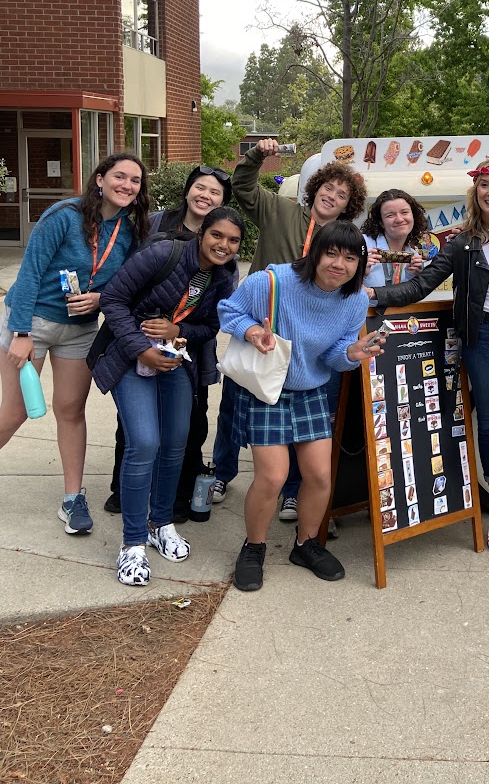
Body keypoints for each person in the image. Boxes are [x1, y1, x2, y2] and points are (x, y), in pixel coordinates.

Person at [369, 159, 489, 559]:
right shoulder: (462, 242)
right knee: (488, 424)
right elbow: (421, 285)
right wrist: (376, 294)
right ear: (475, 191)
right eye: (484, 185)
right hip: (483, 337)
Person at [218, 221, 377, 591]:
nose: (339, 264)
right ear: (315, 252)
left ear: (359, 264)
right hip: (268, 391)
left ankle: (306, 544)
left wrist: (352, 353)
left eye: (350, 258)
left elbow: (334, 355)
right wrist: (252, 332)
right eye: (331, 253)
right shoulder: (271, 282)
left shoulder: (355, 301)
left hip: (310, 390)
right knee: (273, 477)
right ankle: (254, 547)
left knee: (320, 475)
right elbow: (228, 311)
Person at [212, 139, 366, 521]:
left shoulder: (344, 244)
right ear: (314, 188)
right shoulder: (280, 210)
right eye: (328, 187)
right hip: (263, 336)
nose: (332, 196)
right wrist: (256, 155)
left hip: (310, 348)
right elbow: (242, 186)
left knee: (305, 430)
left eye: (342, 194)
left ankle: (293, 493)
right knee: (233, 408)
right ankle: (221, 473)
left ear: (348, 206)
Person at [92, 207, 243, 586]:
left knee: (176, 442)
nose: (223, 245)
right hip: (130, 356)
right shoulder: (164, 254)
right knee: (144, 443)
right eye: (217, 235)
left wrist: (179, 330)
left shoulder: (224, 278)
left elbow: (211, 326)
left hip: (175, 360)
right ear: (201, 233)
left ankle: (160, 524)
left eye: (233, 240)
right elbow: (113, 299)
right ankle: (132, 543)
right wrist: (141, 349)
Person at [0, 152, 149, 535]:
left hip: (80, 329)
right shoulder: (64, 216)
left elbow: (124, 285)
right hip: (32, 321)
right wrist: (21, 334)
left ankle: (72, 499)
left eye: (135, 180)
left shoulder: (129, 231)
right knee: (14, 413)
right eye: (120, 176)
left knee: (70, 410)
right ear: (100, 179)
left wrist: (100, 298)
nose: (127, 185)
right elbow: (30, 272)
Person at [104, 165, 233, 521]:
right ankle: (125, 494)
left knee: (187, 427)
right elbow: (122, 285)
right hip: (137, 340)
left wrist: (179, 330)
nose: (205, 195)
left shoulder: (224, 257)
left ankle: (175, 500)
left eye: (215, 192)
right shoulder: (157, 228)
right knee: (136, 428)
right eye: (200, 187)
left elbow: (214, 319)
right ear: (188, 190)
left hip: (188, 353)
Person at [361, 189, 427, 292]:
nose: (399, 219)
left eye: (404, 212)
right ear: (381, 223)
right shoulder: (361, 244)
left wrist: (413, 277)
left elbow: (404, 296)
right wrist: (360, 274)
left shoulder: (414, 257)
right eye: (390, 215)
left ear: (413, 216)